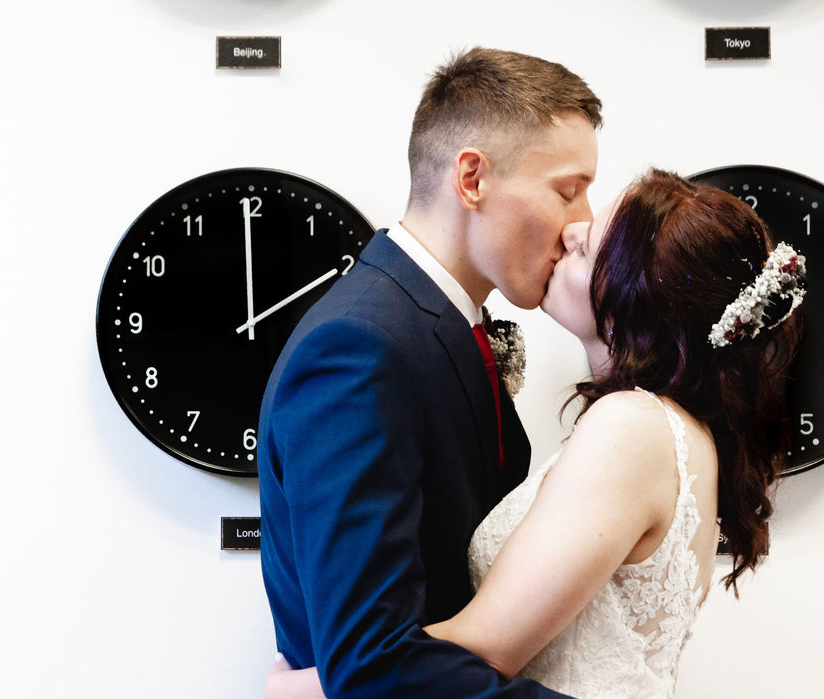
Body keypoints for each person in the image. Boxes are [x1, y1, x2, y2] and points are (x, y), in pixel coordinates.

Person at [267, 169, 805, 698]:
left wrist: (306, 688)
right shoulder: (680, 430)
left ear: (630, 302)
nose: (572, 229)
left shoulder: (633, 426)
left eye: (588, 249)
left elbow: (483, 646)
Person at [258, 47, 602, 698]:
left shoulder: (434, 326)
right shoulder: (356, 348)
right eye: (567, 189)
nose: (581, 223)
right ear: (471, 178)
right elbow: (372, 665)